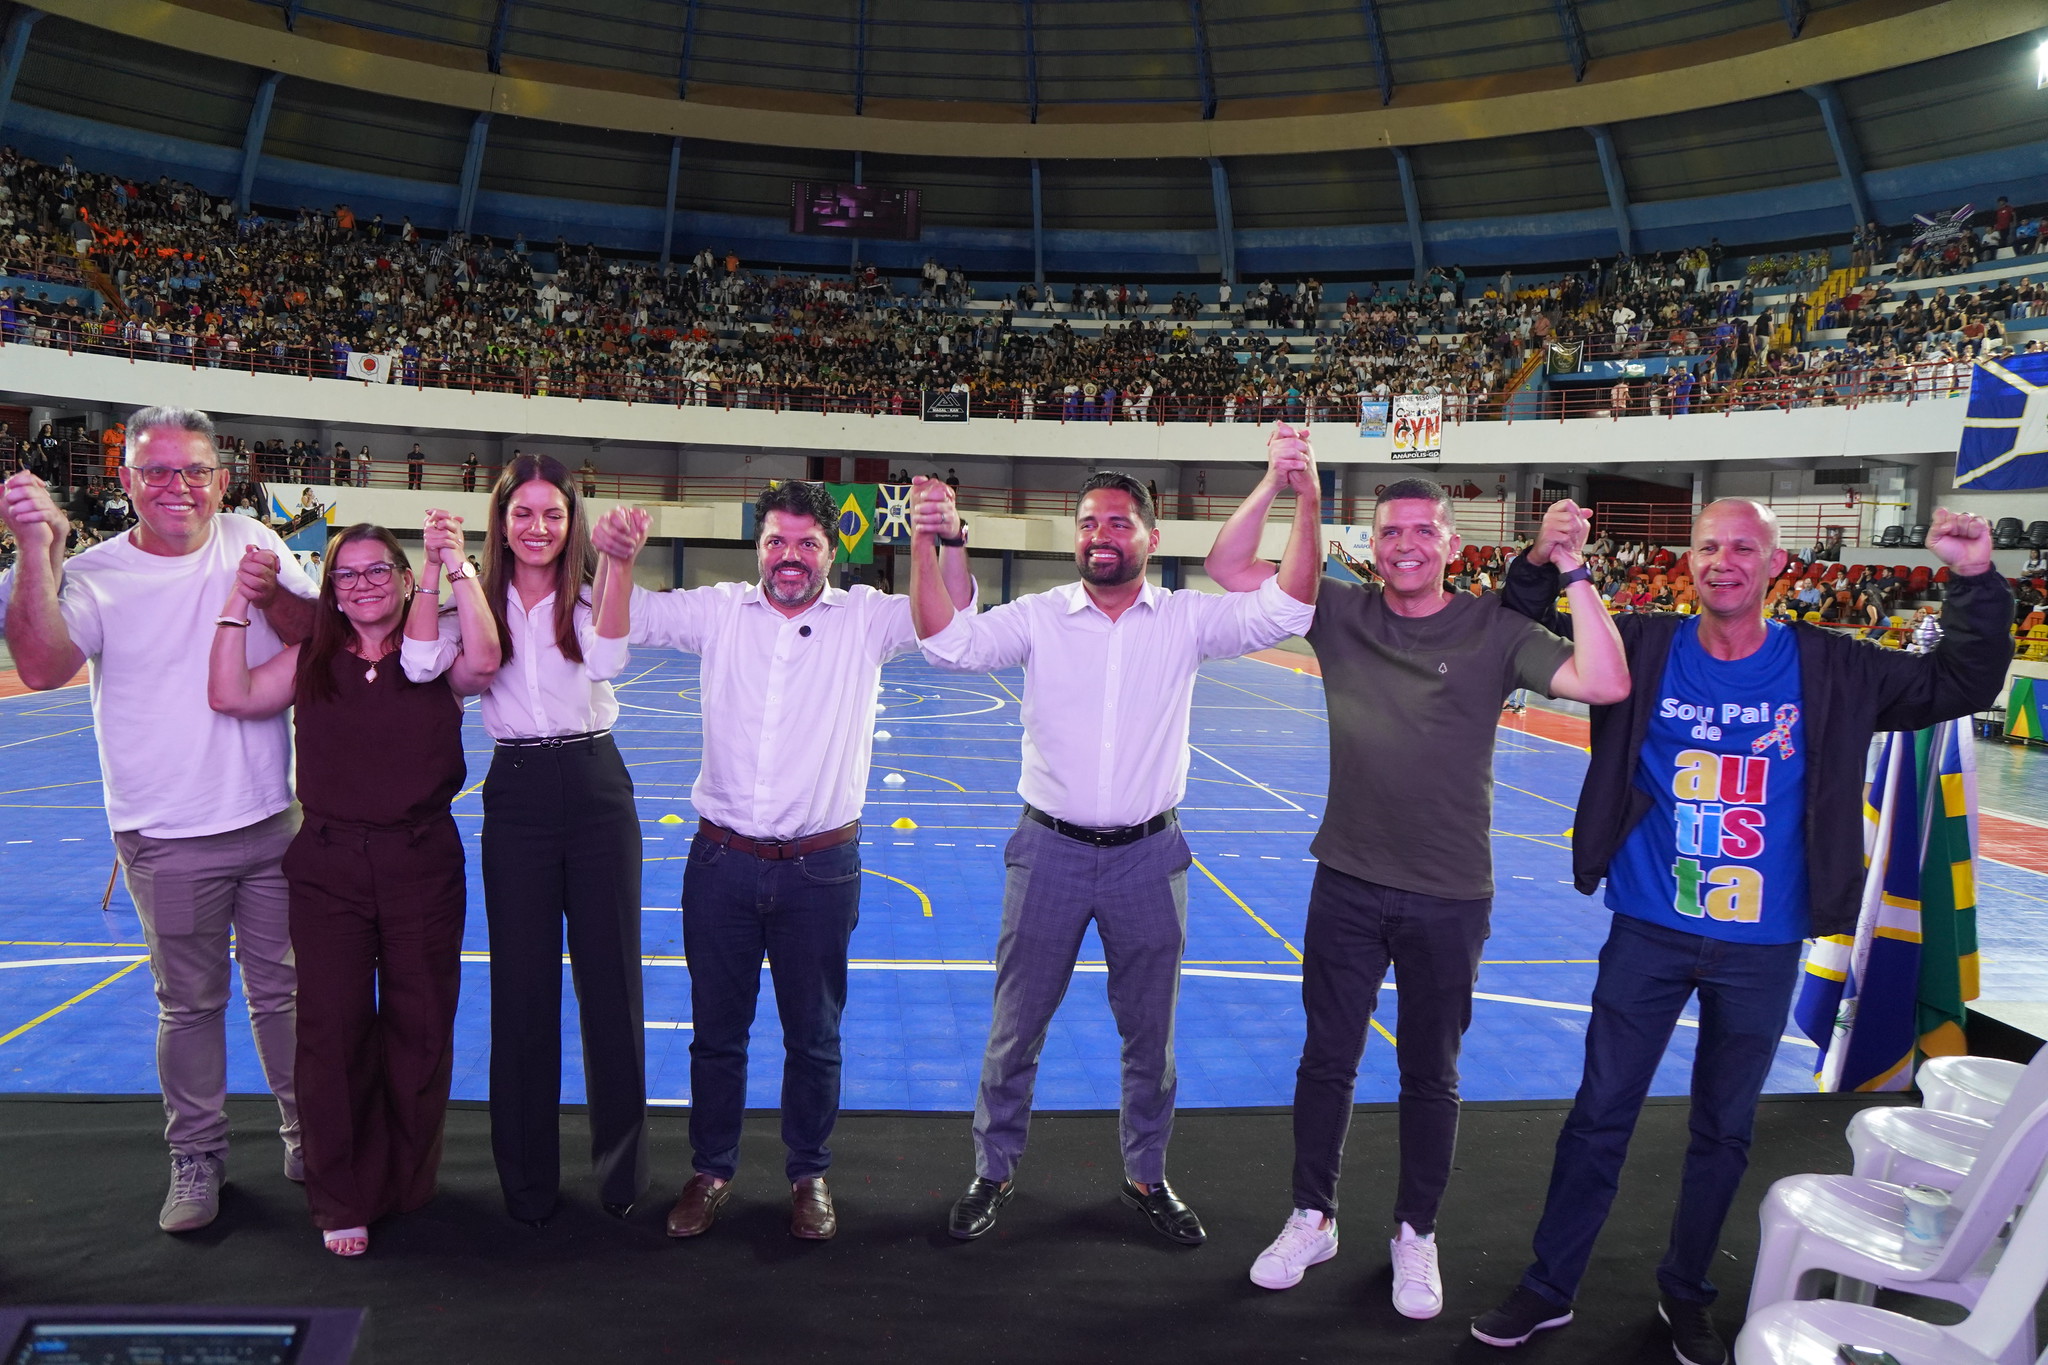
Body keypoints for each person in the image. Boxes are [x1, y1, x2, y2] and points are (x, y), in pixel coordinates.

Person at [1472, 502, 2011, 1365]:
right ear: (1689, 560)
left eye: (1743, 548)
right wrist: (1544, 559)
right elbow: (1511, 631)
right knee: (1598, 1114)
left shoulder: (1830, 667)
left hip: (1764, 947)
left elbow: (1960, 683)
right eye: (1708, 546)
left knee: (1724, 1128)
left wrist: (1976, 581)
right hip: (1648, 928)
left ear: (1777, 565)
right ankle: (1549, 1283)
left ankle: (1686, 1291)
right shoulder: (1641, 646)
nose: (1723, 561)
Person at [1205, 473, 1628, 1318]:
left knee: (1430, 1073)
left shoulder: (1495, 628)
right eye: (1390, 531)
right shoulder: (1337, 610)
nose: (1405, 545)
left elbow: (1606, 680)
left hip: (1449, 892)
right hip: (1348, 882)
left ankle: (1415, 1231)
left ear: (1450, 542)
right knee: (1327, 1058)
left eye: (1423, 531)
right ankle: (1312, 1215)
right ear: (1373, 540)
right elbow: (1228, 565)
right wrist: (1286, 488)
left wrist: (1574, 571)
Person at [909, 435, 1321, 1246]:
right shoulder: (1039, 618)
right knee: (1015, 1028)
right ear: (1076, 535)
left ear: (1152, 538)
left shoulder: (1187, 621)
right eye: (1091, 521)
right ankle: (993, 1172)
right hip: (1049, 851)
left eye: (1121, 522)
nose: (1103, 533)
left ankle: (1146, 1174)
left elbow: (1290, 607)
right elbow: (945, 642)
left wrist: (1298, 492)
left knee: (1150, 1038)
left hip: (1149, 856)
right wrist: (929, 540)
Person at [582, 483, 977, 1241]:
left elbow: (950, 621)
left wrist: (947, 538)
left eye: (806, 544)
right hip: (722, 861)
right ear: (756, 547)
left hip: (821, 869)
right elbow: (624, 624)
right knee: (716, 1034)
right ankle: (711, 1169)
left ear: (835, 551)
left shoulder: (866, 617)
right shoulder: (720, 609)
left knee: (814, 1034)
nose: (788, 558)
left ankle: (808, 1173)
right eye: (774, 542)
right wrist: (618, 561)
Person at [1, 406, 317, 1233]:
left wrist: (272, 592)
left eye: (196, 470)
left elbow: (315, 636)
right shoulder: (99, 575)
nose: (180, 487)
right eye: (159, 472)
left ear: (223, 477)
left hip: (268, 820)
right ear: (127, 480)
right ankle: (199, 1155)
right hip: (168, 835)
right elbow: (40, 664)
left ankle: (308, 1133)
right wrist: (38, 549)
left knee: (286, 993)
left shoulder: (254, 538)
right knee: (191, 1003)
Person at [206, 513, 500, 1256]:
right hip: (330, 865)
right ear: (331, 589)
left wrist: (454, 563)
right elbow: (230, 694)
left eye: (379, 570)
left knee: (422, 1026)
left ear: (405, 581)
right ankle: (342, 1192)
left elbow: (489, 662)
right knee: (333, 1030)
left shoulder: (437, 656)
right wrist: (237, 603)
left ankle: (403, 1176)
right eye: (347, 573)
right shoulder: (311, 656)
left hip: (423, 859)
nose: (363, 584)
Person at [473, 453, 647, 1227]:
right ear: (502, 523)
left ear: (572, 522)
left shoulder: (588, 595)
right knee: (522, 989)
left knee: (611, 983)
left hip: (595, 785)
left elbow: (609, 657)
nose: (537, 527)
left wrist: (618, 564)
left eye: (553, 513)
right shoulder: (473, 601)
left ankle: (621, 1173)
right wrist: (443, 570)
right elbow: (423, 663)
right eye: (523, 513)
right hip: (516, 791)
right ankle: (527, 1182)